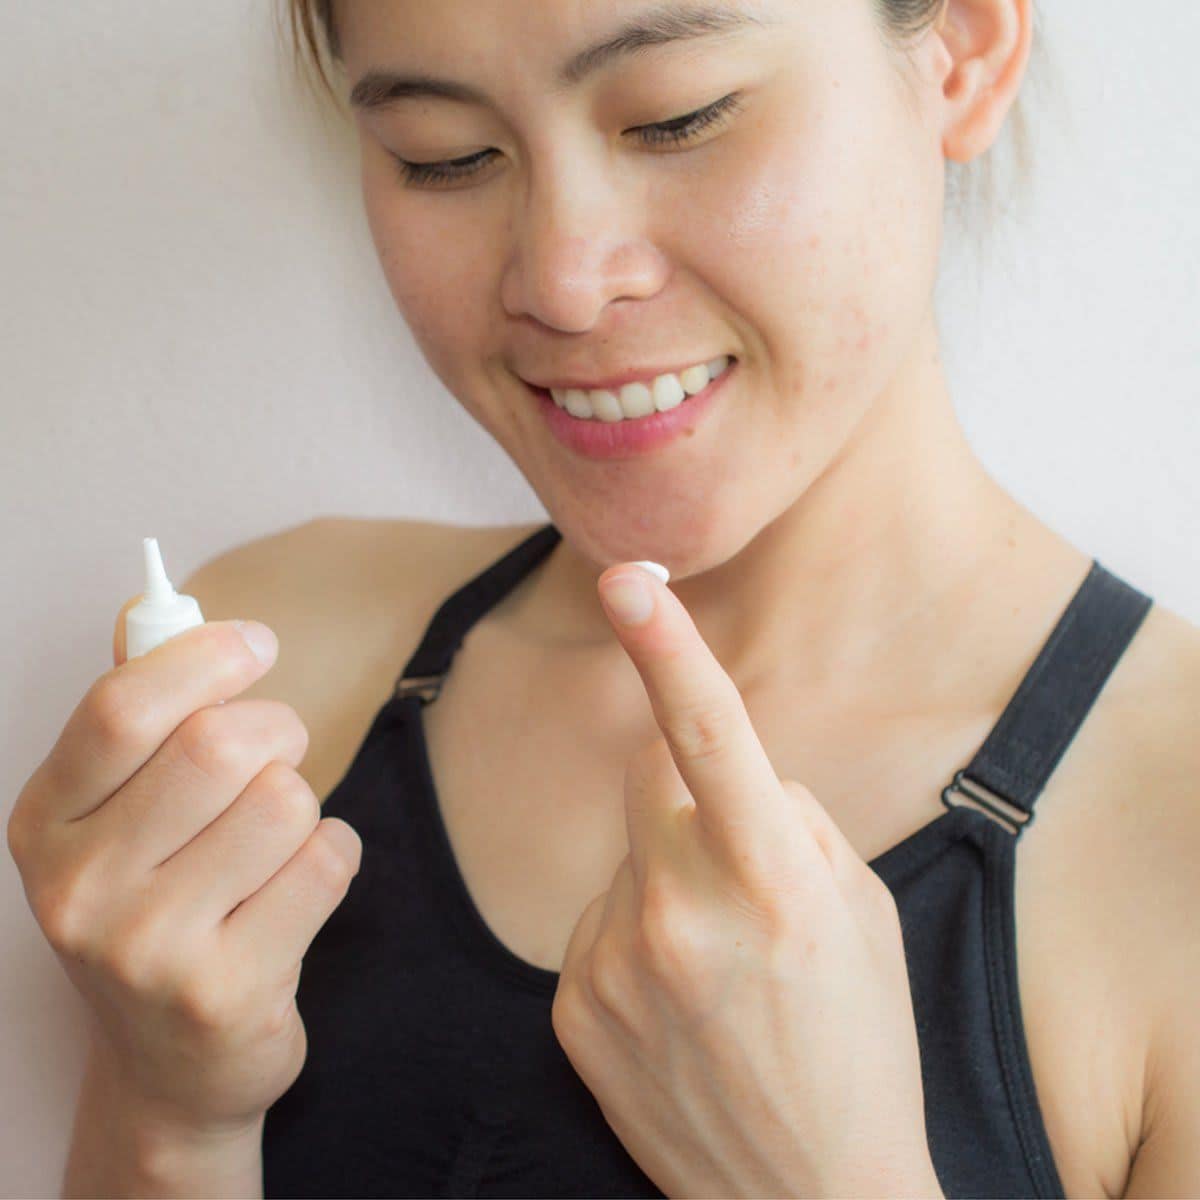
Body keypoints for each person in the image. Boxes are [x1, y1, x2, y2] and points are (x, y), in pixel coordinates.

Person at [10, 1, 1198, 1196]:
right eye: (444, 152)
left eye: (680, 119)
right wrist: (172, 1112)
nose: (563, 282)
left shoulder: (1175, 837)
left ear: (966, 54)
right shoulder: (271, 679)